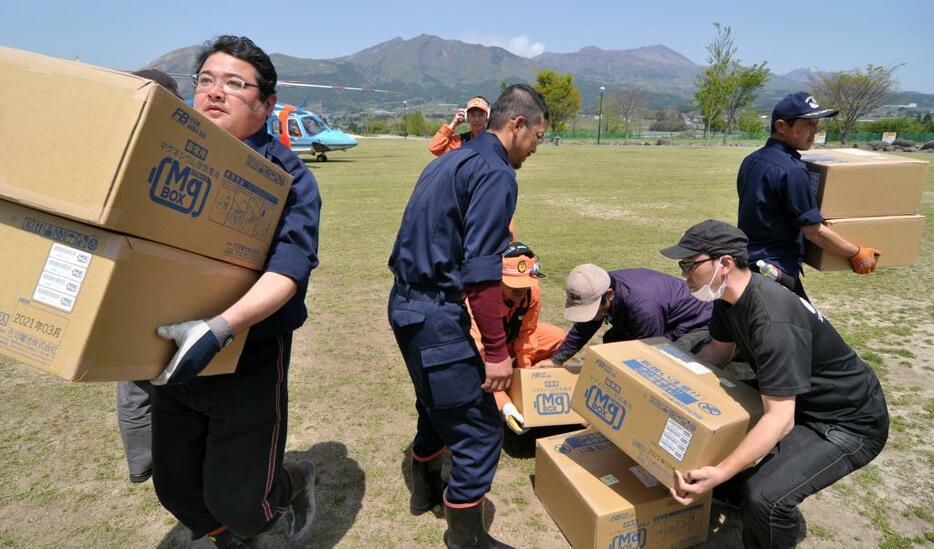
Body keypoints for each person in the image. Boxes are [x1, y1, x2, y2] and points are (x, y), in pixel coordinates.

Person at [148, 36, 322, 549]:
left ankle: (293, 483)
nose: (215, 93)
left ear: (267, 104)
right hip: (167, 348)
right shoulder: (165, 153)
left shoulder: (287, 177)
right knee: (175, 487)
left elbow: (289, 268)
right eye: (205, 81)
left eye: (234, 84)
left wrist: (221, 327)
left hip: (247, 351)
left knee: (241, 500)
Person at [660, 219, 888, 548]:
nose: (683, 274)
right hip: (801, 398)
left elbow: (780, 419)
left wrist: (721, 471)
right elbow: (718, 352)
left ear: (724, 264)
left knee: (765, 499)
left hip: (848, 421)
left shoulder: (772, 319)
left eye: (689, 264)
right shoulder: (727, 298)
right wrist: (674, 383)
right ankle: (737, 490)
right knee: (724, 450)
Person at [388, 84, 548, 548]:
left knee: (434, 403)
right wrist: (497, 352)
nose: (536, 148)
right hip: (434, 313)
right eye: (537, 136)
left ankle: (425, 491)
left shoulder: (447, 160)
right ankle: (465, 539)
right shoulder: (496, 173)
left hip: (405, 305)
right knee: (479, 430)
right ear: (516, 125)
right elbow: (481, 273)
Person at [737, 91, 881, 301]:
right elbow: (814, 231)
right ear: (781, 126)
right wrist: (855, 252)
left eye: (815, 124)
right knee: (803, 330)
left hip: (749, 262)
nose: (814, 131)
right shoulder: (792, 170)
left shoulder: (752, 159)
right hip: (774, 268)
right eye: (807, 124)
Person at [115, 69, 184, 485]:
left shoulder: (111, 140)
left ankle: (142, 462)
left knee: (133, 382)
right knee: (170, 376)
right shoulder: (175, 148)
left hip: (120, 284)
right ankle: (173, 459)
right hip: (161, 282)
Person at [467, 243, 567, 434]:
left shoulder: (532, 293)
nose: (521, 289)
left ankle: (514, 380)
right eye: (513, 284)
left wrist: (527, 380)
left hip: (509, 343)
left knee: (559, 338)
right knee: (472, 364)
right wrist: (504, 404)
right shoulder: (480, 300)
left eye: (525, 282)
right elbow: (479, 350)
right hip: (484, 351)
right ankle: (495, 394)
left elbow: (527, 333)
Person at [550, 265, 712, 366]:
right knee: (612, 340)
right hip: (660, 320)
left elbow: (649, 355)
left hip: (696, 323)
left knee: (670, 361)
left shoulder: (643, 306)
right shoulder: (596, 286)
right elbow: (584, 327)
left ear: (609, 295)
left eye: (592, 310)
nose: (590, 317)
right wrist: (556, 360)